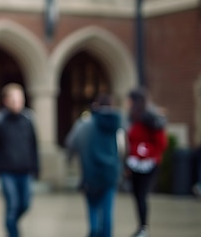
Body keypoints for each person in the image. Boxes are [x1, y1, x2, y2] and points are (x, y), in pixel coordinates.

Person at [0, 83, 39, 237]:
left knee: (25, 205)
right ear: (6, 101)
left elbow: (33, 145)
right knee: (12, 206)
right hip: (7, 172)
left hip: (25, 171)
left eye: (19, 98)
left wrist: (36, 167)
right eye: (13, 99)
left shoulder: (28, 118)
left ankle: (12, 224)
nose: (17, 102)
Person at [66, 94, 122, 237]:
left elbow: (71, 143)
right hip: (110, 173)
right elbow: (122, 148)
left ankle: (94, 232)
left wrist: (71, 158)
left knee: (93, 208)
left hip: (90, 173)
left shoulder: (84, 124)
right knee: (108, 211)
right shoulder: (117, 124)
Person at [125, 88, 168, 237]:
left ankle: (144, 228)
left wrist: (145, 151)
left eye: (129, 100)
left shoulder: (150, 118)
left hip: (148, 163)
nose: (127, 103)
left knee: (142, 195)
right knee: (137, 196)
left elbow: (161, 143)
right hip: (134, 163)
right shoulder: (133, 118)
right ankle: (141, 226)